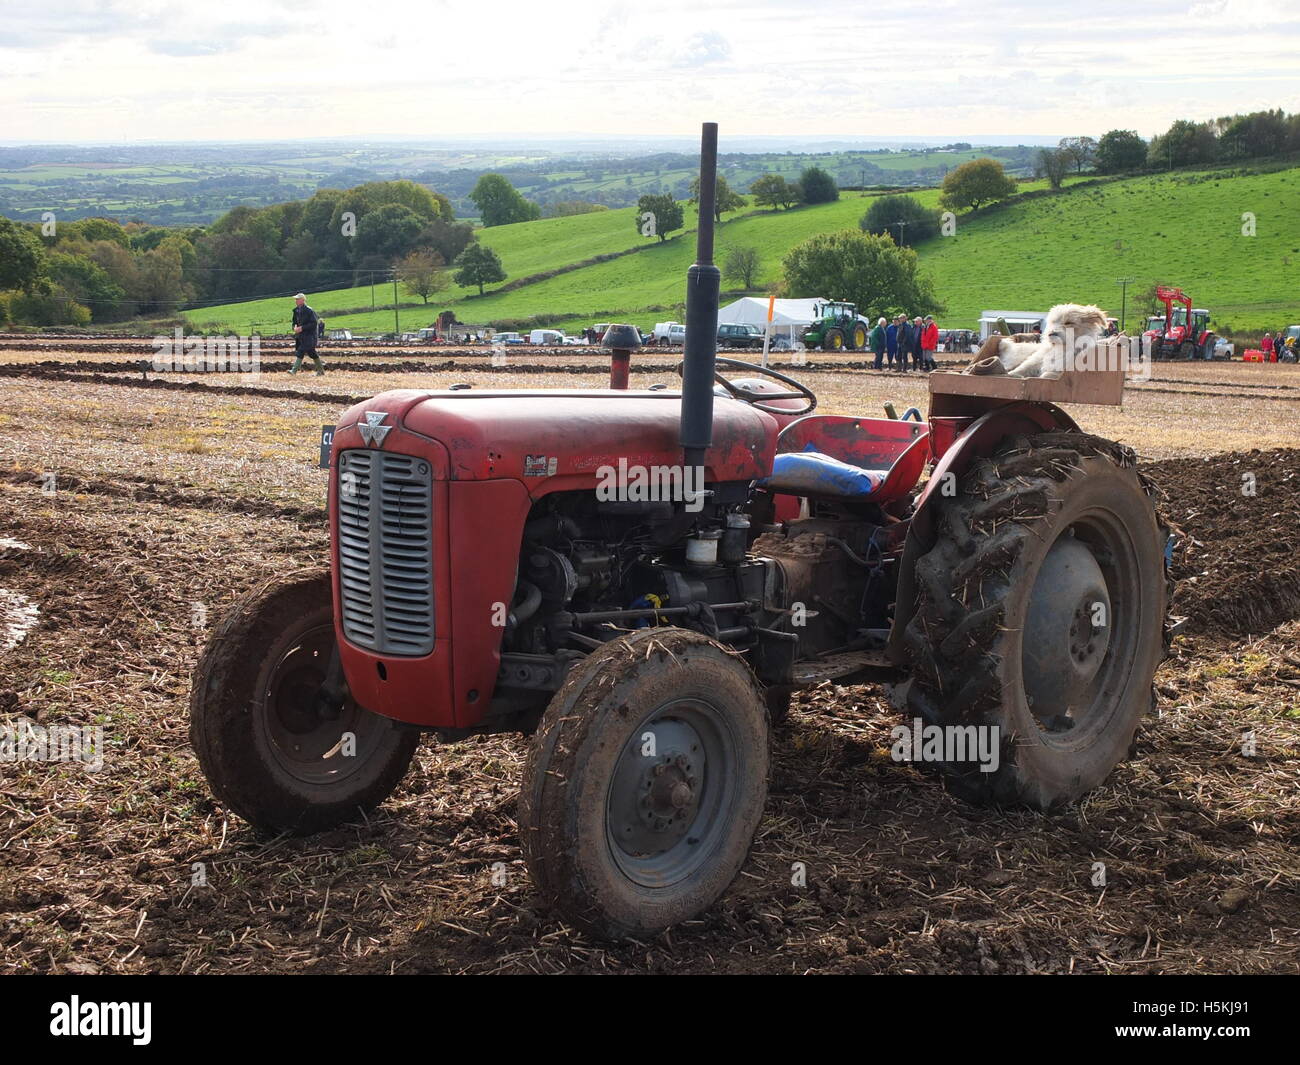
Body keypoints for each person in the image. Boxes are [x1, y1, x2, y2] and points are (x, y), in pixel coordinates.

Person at [290, 293, 323, 375]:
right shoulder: (296, 311)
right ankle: (321, 371)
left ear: (303, 300)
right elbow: (294, 322)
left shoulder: (309, 311)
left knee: (301, 351)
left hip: (310, 336)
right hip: (300, 336)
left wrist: (302, 328)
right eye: (295, 299)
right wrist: (294, 328)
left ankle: (293, 371)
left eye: (297, 299)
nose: (296, 301)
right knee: (312, 353)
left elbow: (314, 323)